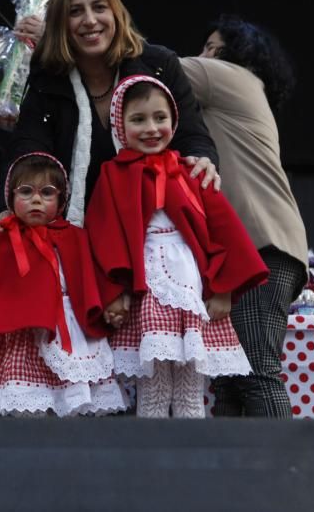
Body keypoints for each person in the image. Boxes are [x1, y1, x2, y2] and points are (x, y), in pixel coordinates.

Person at [85, 75, 268, 418]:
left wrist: (222, 288)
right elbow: (102, 235)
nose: (151, 128)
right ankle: (151, 467)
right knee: (152, 393)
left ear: (174, 120)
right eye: (138, 120)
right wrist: (113, 290)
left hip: (191, 295)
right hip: (146, 293)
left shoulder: (189, 171)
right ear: (119, 126)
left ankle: (192, 466)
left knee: (189, 394)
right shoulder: (113, 174)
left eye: (160, 117)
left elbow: (224, 232)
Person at [9, 0, 220, 230]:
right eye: (75, 12)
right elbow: (29, 149)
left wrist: (201, 158)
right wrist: (10, 203)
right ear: (60, 23)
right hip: (76, 236)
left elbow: (193, 137)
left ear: (116, 14)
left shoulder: (159, 64)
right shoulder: (47, 78)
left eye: (99, 7)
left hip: (156, 230)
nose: (89, 20)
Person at [0, 153, 127, 416]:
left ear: (61, 200)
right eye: (26, 191)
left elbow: (92, 274)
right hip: (22, 335)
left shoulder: (74, 236)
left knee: (75, 404)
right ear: (11, 199)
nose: (36, 199)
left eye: (47, 192)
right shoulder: (4, 240)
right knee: (27, 406)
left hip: (70, 332)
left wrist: (111, 300)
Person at [180, 15, 308, 417]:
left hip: (260, 245)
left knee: (253, 370)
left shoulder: (230, 78)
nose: (202, 57)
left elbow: (156, 65)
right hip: (251, 246)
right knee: (229, 380)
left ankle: (285, 476)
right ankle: (238, 478)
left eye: (211, 49)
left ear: (234, 55)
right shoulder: (246, 96)